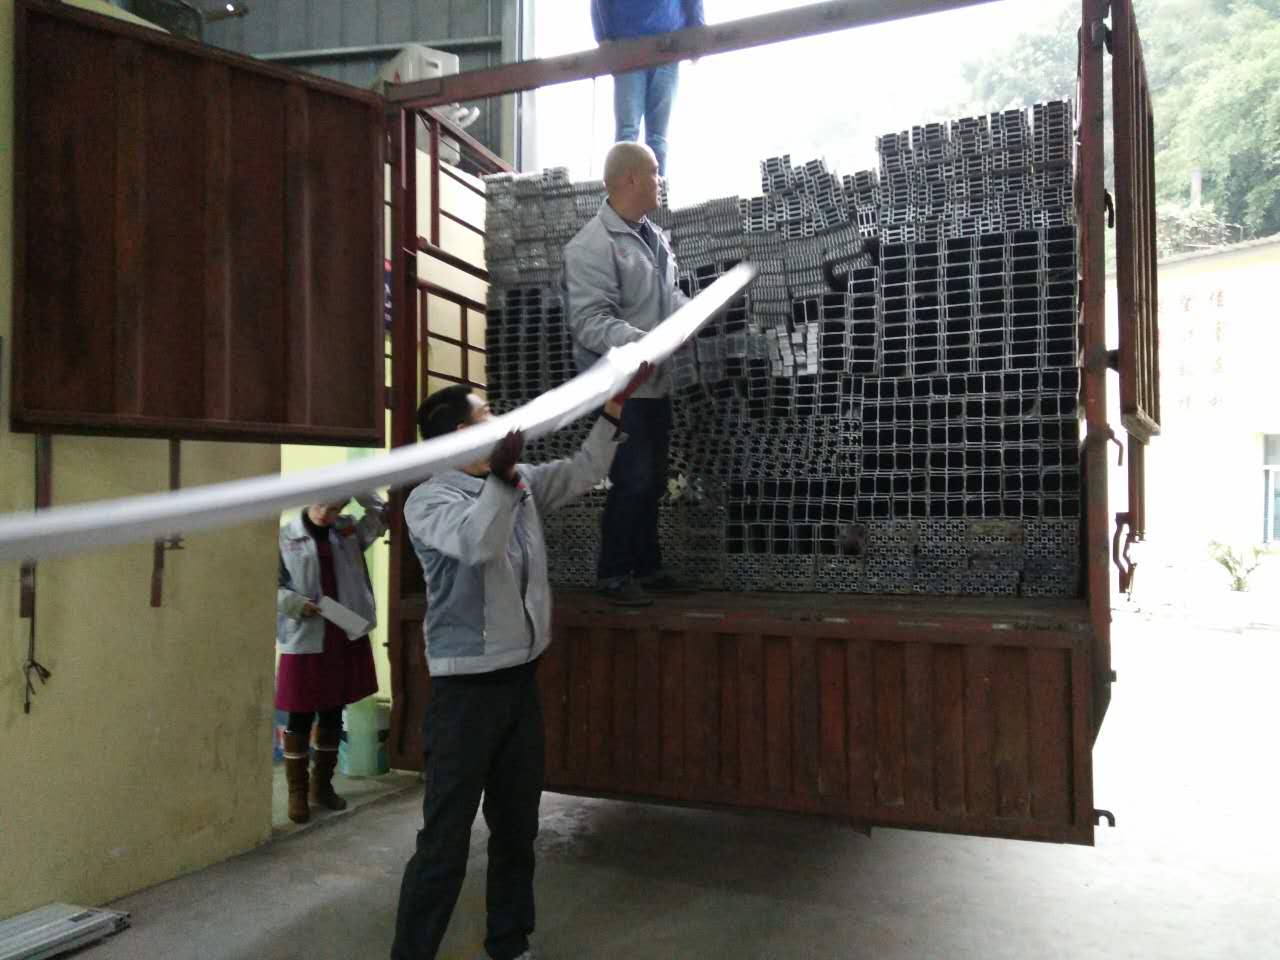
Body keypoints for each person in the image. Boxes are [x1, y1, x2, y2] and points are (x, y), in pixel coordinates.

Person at [391, 365, 650, 960]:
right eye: (487, 415)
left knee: (516, 828)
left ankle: (509, 942)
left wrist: (613, 408)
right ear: (462, 434)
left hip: (519, 684)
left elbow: (584, 471)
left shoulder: (521, 480)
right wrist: (504, 480)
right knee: (445, 839)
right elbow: (478, 544)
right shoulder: (429, 500)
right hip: (465, 695)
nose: (501, 419)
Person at [563, 141, 695, 606]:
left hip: (653, 383)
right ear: (631, 178)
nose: (661, 181)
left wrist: (689, 315)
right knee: (633, 478)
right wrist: (646, 342)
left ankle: (648, 567)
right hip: (618, 388)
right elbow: (589, 322)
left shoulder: (654, 237)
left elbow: (667, 296)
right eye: (655, 172)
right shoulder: (592, 246)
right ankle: (614, 574)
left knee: (653, 480)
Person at [276, 493, 388, 824]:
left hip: (342, 629)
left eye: (335, 508)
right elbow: (268, 583)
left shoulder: (348, 530)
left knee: (332, 711)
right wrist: (296, 604)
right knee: (299, 714)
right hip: (306, 632)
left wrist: (360, 487)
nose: (326, 514)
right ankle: (297, 792)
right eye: (321, 505)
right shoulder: (285, 535)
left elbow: (382, 514)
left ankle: (322, 786)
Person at [592, 0, 705, 175]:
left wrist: (697, 31)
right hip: (627, 48)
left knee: (656, 138)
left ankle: (657, 191)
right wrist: (603, 38)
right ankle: (625, 190)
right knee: (628, 135)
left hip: (668, 45)